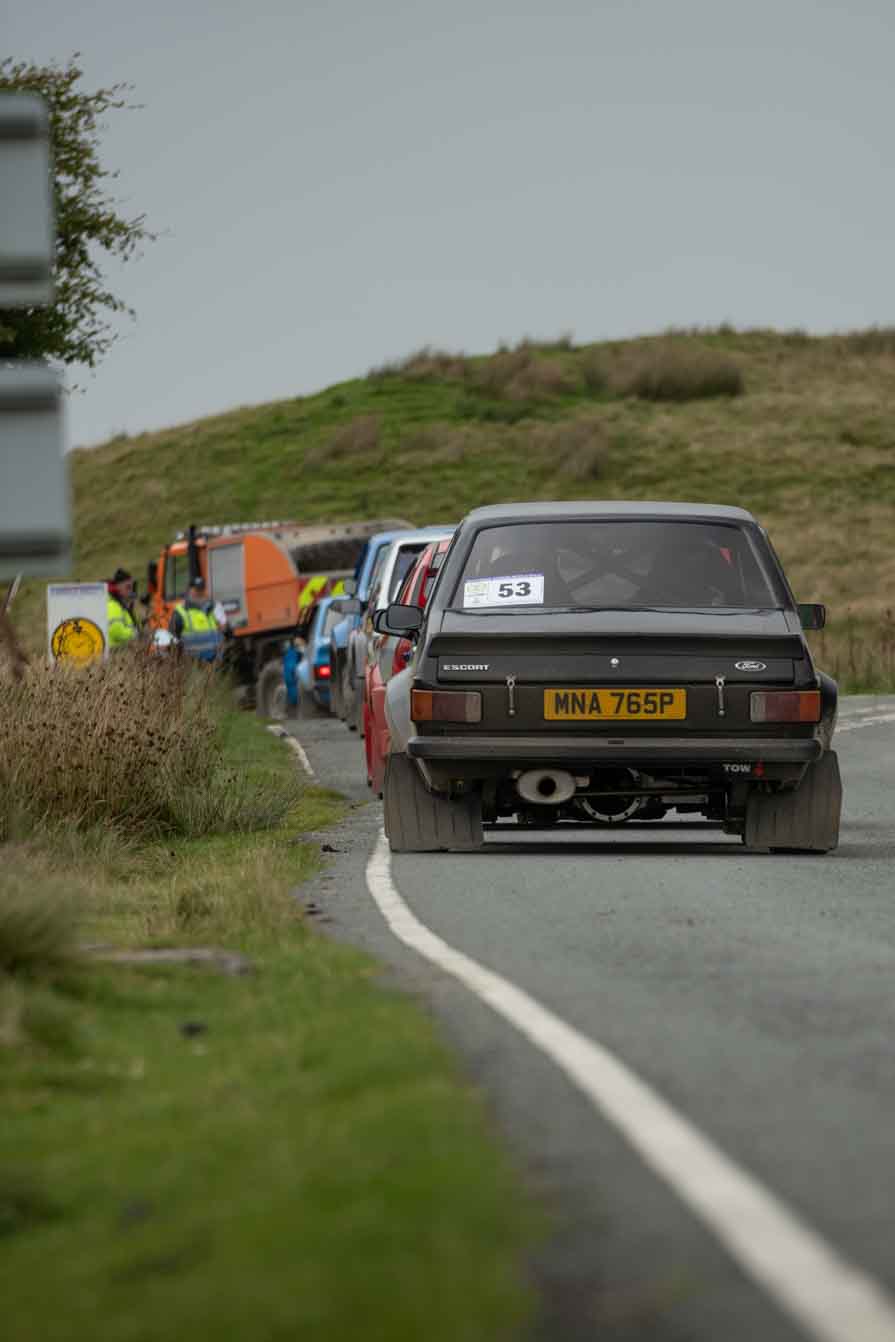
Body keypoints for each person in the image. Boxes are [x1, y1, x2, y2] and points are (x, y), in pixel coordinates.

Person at [169, 577, 220, 660]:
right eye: (196, 590)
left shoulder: (212, 607)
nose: (199, 593)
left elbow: (222, 629)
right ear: (189, 591)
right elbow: (173, 637)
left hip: (213, 660)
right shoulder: (180, 611)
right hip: (192, 661)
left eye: (202, 589)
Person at [107, 568, 139, 649]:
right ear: (117, 587)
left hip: (121, 651)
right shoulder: (113, 605)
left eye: (132, 588)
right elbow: (117, 632)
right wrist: (135, 633)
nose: (131, 591)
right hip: (115, 652)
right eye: (128, 587)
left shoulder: (120, 605)